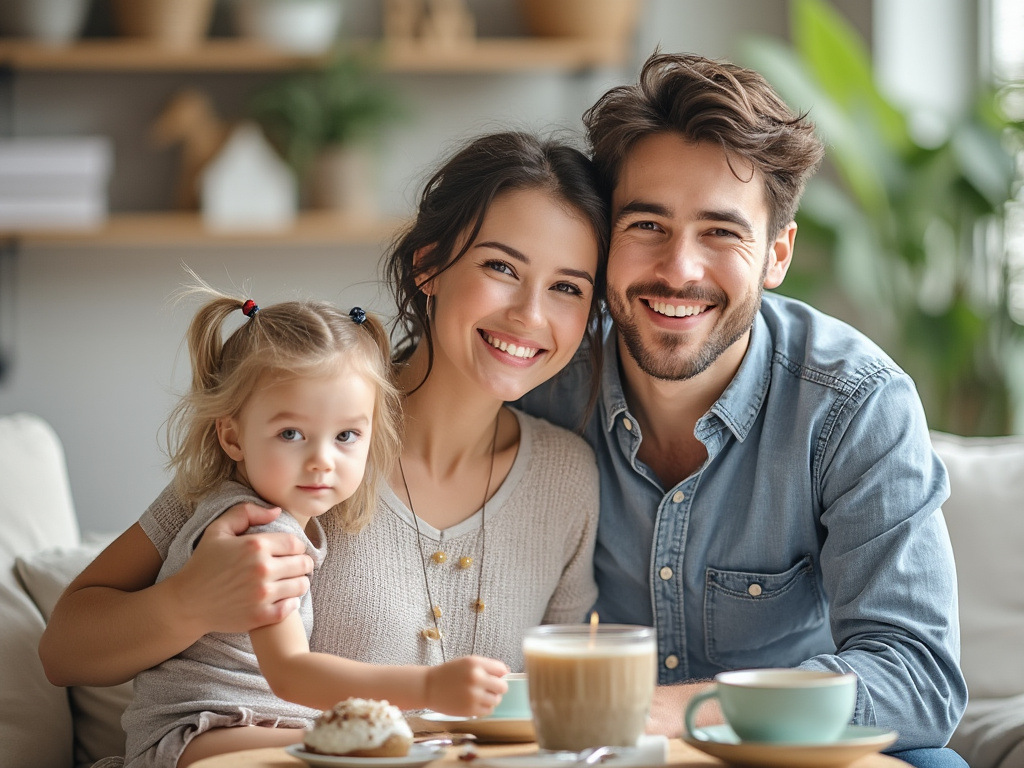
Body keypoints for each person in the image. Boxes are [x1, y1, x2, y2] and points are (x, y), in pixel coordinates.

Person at [40, 131, 607, 738]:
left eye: (567, 287)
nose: (530, 314)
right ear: (429, 266)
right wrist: (186, 602)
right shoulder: (299, 431)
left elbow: (557, 711)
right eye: (501, 266)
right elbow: (63, 649)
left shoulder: (567, 479)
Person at [515, 53, 967, 768]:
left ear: (776, 254)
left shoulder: (855, 405)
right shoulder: (540, 375)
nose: (679, 269)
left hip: (779, 751)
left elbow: (918, 679)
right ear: (604, 242)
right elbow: (374, 407)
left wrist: (678, 711)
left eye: (722, 232)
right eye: (647, 225)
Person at [116, 286, 512, 767]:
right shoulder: (260, 532)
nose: (322, 461)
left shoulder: (270, 514)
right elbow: (291, 673)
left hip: (246, 723)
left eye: (346, 435)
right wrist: (428, 687)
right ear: (232, 435)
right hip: (198, 732)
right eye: (291, 434)